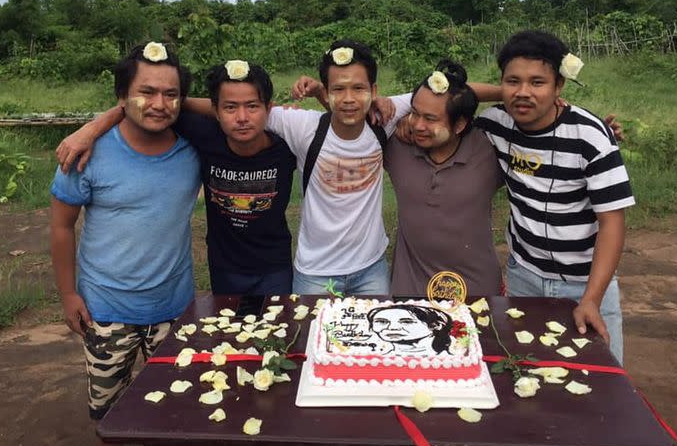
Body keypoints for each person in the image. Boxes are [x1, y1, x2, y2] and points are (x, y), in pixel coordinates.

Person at [50, 42, 199, 446]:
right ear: (122, 96)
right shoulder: (87, 155)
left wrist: (99, 120)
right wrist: (67, 294)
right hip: (105, 312)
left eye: (171, 94)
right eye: (146, 92)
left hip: (174, 309)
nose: (159, 103)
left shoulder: (192, 149)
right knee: (108, 418)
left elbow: (226, 105)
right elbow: (62, 227)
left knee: (168, 412)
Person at [55, 60, 297, 296]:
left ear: (269, 108)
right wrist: (92, 128)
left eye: (253, 106)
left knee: (277, 333)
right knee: (231, 333)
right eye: (230, 108)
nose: (242, 117)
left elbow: (331, 126)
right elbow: (144, 108)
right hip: (225, 266)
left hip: (274, 266)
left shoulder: (289, 144)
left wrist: (317, 92)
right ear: (215, 111)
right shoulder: (203, 135)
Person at [475, 30, 635, 363]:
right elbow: (454, 94)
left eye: (538, 82)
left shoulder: (589, 136)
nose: (523, 92)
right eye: (512, 80)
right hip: (524, 277)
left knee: (604, 383)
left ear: (559, 86)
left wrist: (591, 298)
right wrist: (509, 95)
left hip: (586, 284)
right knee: (528, 374)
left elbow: (612, 222)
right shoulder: (495, 125)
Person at [268, 39, 412, 295]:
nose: (349, 99)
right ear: (327, 91)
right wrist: (178, 105)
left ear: (374, 90)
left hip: (371, 269)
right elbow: (243, 109)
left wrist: (502, 92)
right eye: (338, 89)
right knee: (312, 335)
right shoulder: (304, 127)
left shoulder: (383, 120)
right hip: (315, 273)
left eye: (359, 88)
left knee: (375, 334)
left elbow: (441, 93)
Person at [385, 60, 503, 297]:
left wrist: (508, 92)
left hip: (476, 292)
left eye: (430, 119)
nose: (418, 125)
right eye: (414, 113)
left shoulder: (488, 149)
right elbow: (349, 117)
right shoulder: (397, 146)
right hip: (409, 289)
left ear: (460, 124)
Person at [367, 304, 453, 354]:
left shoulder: (450, 360)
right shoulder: (377, 360)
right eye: (382, 321)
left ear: (436, 325)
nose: (392, 328)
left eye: (407, 322)